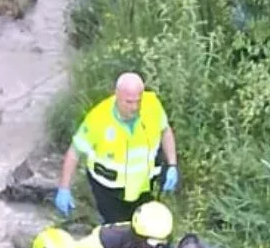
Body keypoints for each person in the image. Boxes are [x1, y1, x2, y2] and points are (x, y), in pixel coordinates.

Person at [55, 72, 179, 224]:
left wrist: (172, 165)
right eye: (129, 102)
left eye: (138, 101)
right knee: (117, 229)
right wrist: (64, 188)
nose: (134, 107)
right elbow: (74, 152)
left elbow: (165, 131)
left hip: (144, 186)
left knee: (144, 228)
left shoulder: (151, 106)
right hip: (109, 190)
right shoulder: (98, 118)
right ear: (117, 95)